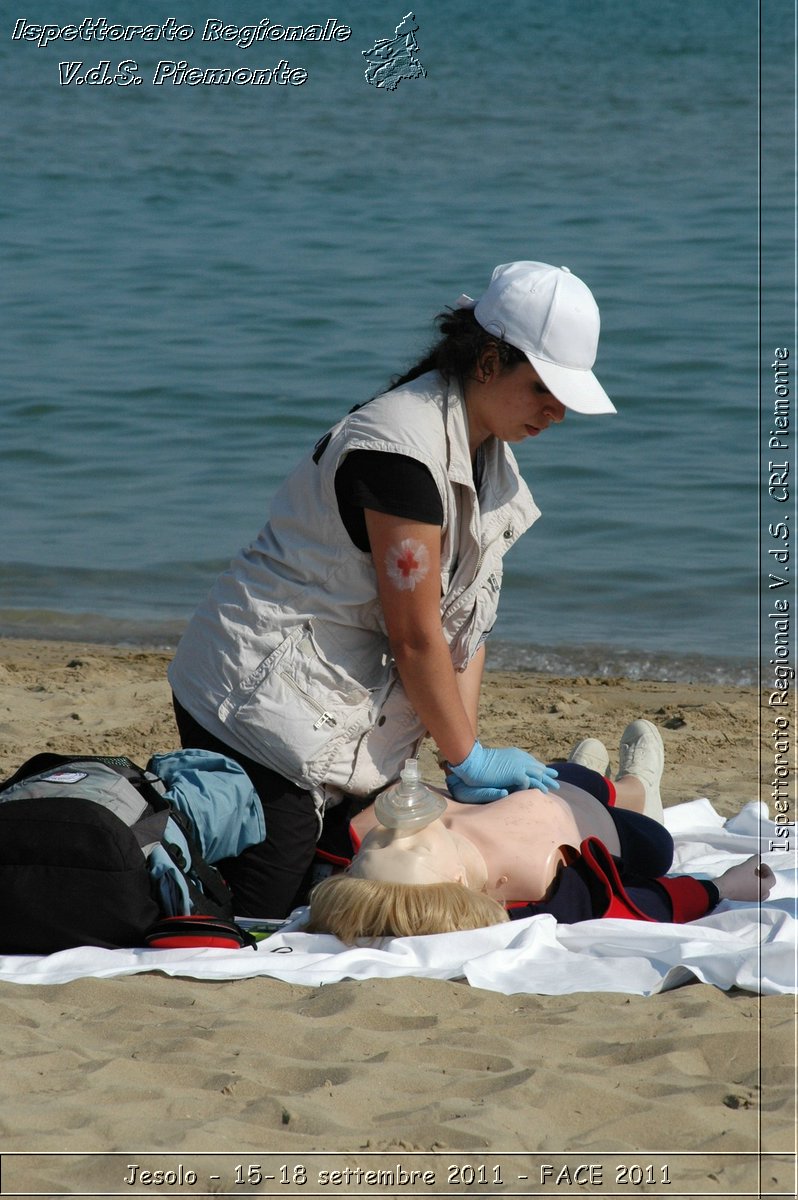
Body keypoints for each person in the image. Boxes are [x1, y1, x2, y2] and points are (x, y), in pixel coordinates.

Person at [168, 261, 617, 918]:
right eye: (546, 388)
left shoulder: (491, 461)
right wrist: (469, 755)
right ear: (488, 362)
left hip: (340, 716)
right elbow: (414, 635)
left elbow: (466, 627)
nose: (558, 412)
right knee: (266, 914)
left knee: (353, 875)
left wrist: (465, 754)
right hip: (256, 708)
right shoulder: (399, 455)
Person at [305, 729, 775, 941]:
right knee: (656, 841)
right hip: (609, 830)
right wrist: (723, 886)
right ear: (457, 883)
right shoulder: (529, 886)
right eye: (411, 845)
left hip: (533, 785)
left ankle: (598, 778)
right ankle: (636, 789)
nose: (397, 830)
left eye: (378, 842)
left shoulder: (363, 832)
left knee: (566, 774)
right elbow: (635, 906)